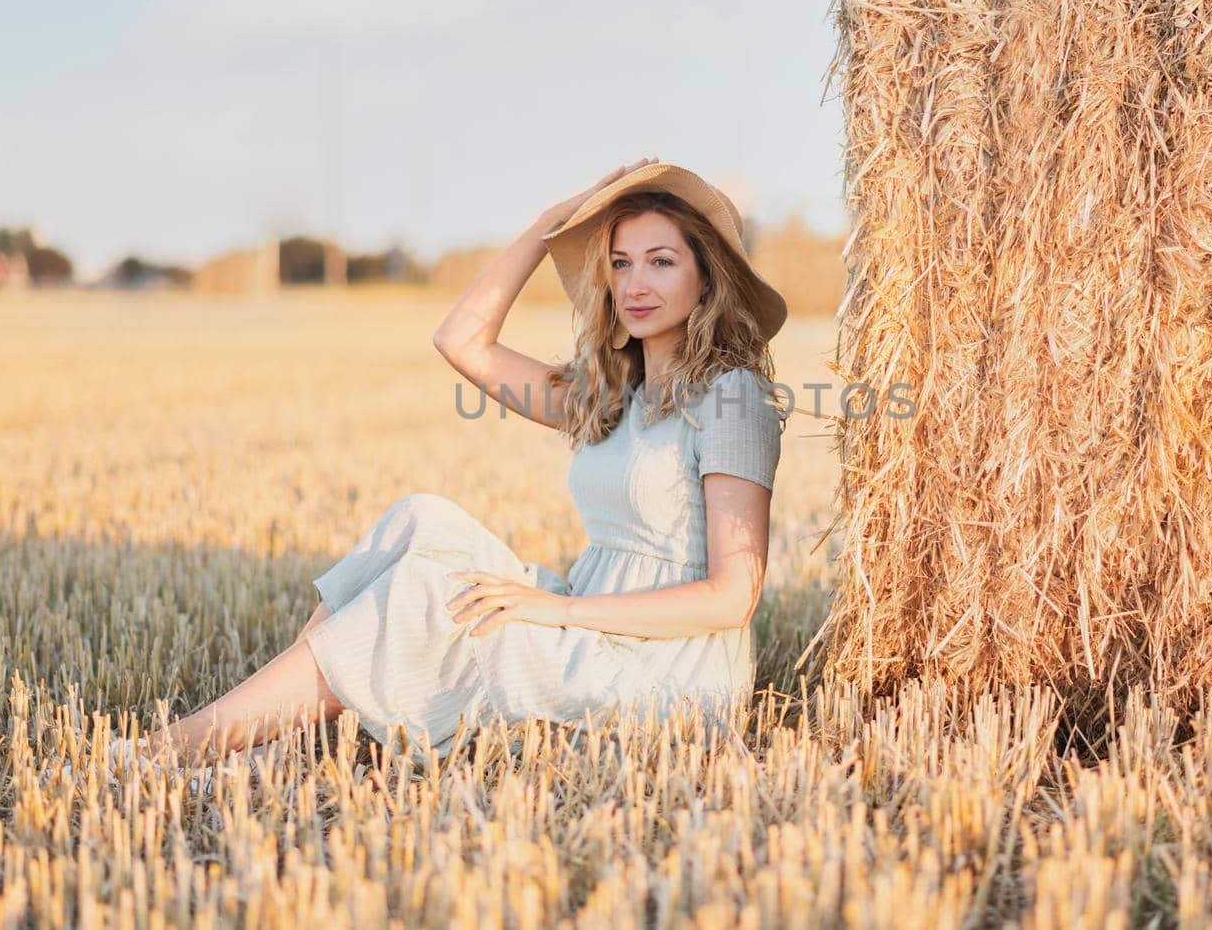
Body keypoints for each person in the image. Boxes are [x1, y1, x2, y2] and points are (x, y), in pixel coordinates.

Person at [103, 158, 790, 776]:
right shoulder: (610, 392)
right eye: (618, 262)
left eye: (662, 262)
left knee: (425, 595)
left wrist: (559, 609)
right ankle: (274, 738)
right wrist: (549, 225)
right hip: (587, 628)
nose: (635, 283)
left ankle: (171, 751)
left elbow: (734, 595)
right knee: (419, 518)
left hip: (665, 673)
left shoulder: (733, 397)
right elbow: (460, 339)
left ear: (706, 277)